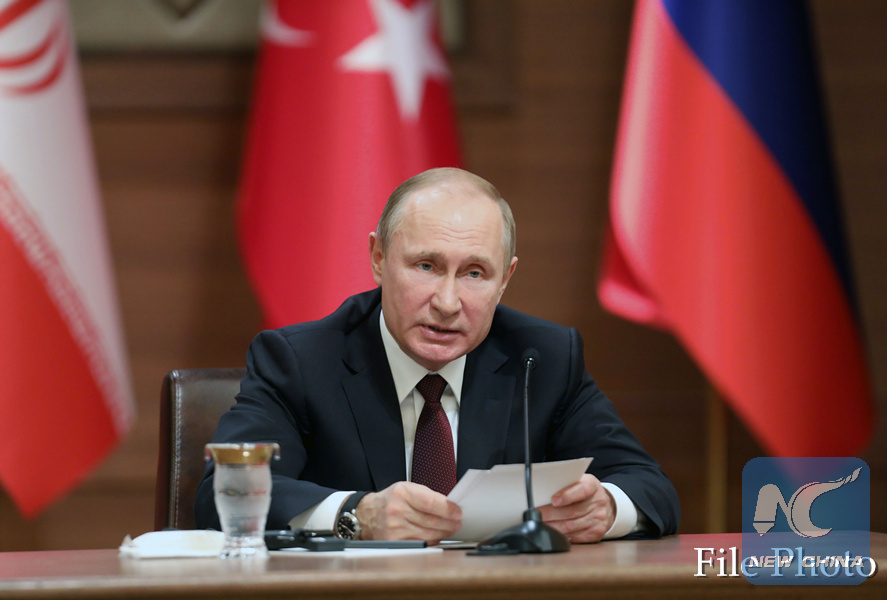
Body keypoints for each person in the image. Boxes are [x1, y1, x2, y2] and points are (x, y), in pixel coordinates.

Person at [195, 167, 679, 543]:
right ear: (379, 258)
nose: (448, 303)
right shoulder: (301, 361)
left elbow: (649, 485)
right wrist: (356, 514)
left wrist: (607, 508)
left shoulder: (543, 358)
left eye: (474, 274)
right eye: (426, 266)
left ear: (505, 279)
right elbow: (227, 491)